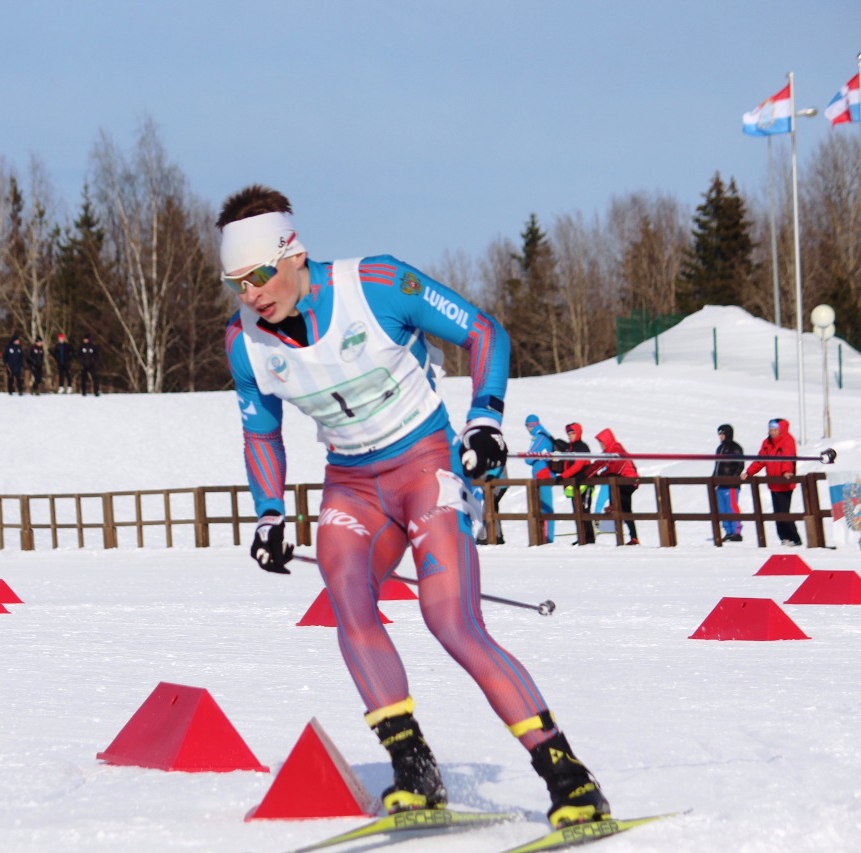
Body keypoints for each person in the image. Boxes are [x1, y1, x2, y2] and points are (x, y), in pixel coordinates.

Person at [216, 185, 609, 828]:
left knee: (449, 620)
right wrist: (269, 513)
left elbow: (484, 332)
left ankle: (567, 777)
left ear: (293, 254)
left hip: (424, 466)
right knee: (344, 591)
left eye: (260, 275)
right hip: (352, 484)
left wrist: (485, 421)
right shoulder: (244, 342)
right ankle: (414, 770)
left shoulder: (375, 283)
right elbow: (260, 431)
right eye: (237, 283)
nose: (252, 294)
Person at [742, 418, 802, 546]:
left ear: (780, 430)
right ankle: (784, 538)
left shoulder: (787, 440)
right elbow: (761, 460)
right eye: (770, 430)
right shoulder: (767, 443)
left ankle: (795, 539)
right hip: (773, 483)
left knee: (784, 513)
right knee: (777, 514)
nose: (772, 432)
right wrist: (749, 472)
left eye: (775, 430)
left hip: (785, 483)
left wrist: (786, 471)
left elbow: (788, 457)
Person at [590, 428, 639, 545]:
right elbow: (597, 464)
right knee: (625, 509)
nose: (601, 445)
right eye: (599, 443)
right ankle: (633, 537)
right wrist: (587, 475)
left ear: (607, 441)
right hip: (621, 482)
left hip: (629, 482)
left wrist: (601, 475)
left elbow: (615, 468)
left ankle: (614, 506)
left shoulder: (617, 450)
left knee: (625, 508)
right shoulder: (608, 452)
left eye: (602, 443)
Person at [559, 423, 595, 545]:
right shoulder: (571, 448)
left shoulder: (581, 447)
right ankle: (581, 536)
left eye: (572, 433)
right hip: (575, 484)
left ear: (578, 433)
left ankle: (589, 538)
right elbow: (566, 464)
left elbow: (578, 465)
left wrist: (563, 476)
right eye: (568, 434)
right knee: (577, 510)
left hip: (585, 482)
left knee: (584, 510)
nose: (570, 436)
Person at [524, 414, 556, 543]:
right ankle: (544, 536)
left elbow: (528, 458)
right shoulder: (542, 434)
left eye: (527, 426)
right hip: (541, 473)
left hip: (543, 474)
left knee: (546, 507)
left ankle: (547, 538)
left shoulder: (540, 436)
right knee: (541, 506)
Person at [714, 424, 744, 542]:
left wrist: (733, 479)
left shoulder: (735, 448)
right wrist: (714, 479)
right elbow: (717, 465)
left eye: (722, 434)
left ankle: (736, 531)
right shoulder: (720, 449)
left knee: (732, 507)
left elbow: (740, 465)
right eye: (719, 434)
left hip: (731, 485)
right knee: (722, 509)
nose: (720, 436)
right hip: (720, 484)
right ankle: (728, 531)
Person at [474, 461, 507, 545]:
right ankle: (495, 536)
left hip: (496, 482)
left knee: (488, 506)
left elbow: (498, 460)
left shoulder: (493, 448)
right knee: (490, 507)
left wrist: (492, 474)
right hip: (485, 482)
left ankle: (490, 536)